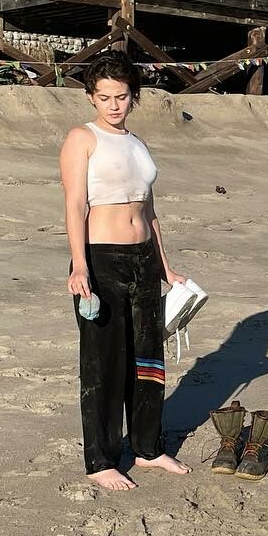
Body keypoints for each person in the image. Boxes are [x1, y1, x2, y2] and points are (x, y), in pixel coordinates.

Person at [59, 52, 190, 491]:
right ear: (91, 97)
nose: (113, 105)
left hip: (143, 259)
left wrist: (166, 267)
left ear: (134, 95)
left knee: (149, 359)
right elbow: (75, 205)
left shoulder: (137, 143)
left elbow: (149, 209)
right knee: (104, 363)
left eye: (121, 96)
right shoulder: (82, 138)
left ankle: (147, 449)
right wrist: (80, 265)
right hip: (101, 258)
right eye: (104, 97)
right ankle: (100, 460)